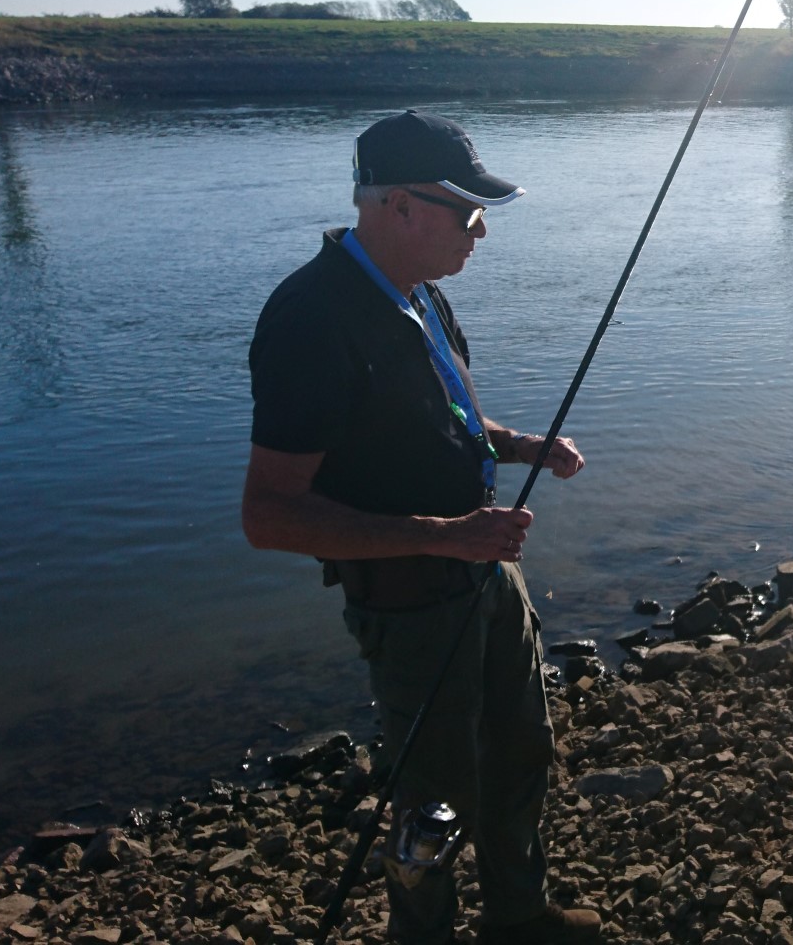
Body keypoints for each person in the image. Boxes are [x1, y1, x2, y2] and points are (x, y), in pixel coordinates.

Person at [242, 110, 599, 945]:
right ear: (398, 205)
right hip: (411, 604)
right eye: (466, 212)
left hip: (484, 573)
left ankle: (518, 917)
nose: (480, 231)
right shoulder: (310, 318)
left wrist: (518, 445)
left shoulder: (419, 294)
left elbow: (443, 422)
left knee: (521, 748)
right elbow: (269, 515)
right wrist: (446, 534)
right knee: (432, 802)